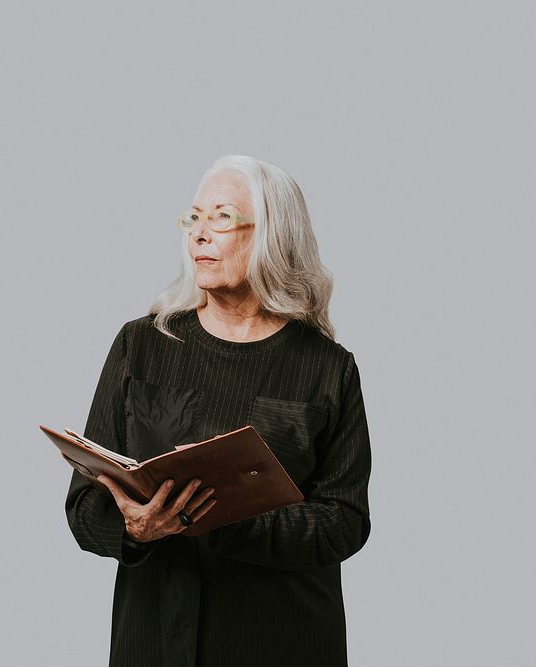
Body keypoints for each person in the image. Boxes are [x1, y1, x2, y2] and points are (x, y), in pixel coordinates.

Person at [64, 155, 372, 667]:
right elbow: (84, 510)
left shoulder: (327, 368)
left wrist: (223, 519)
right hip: (156, 642)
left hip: (283, 642)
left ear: (273, 236)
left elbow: (344, 523)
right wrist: (137, 528)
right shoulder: (141, 345)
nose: (199, 235)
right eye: (194, 218)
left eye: (222, 217)